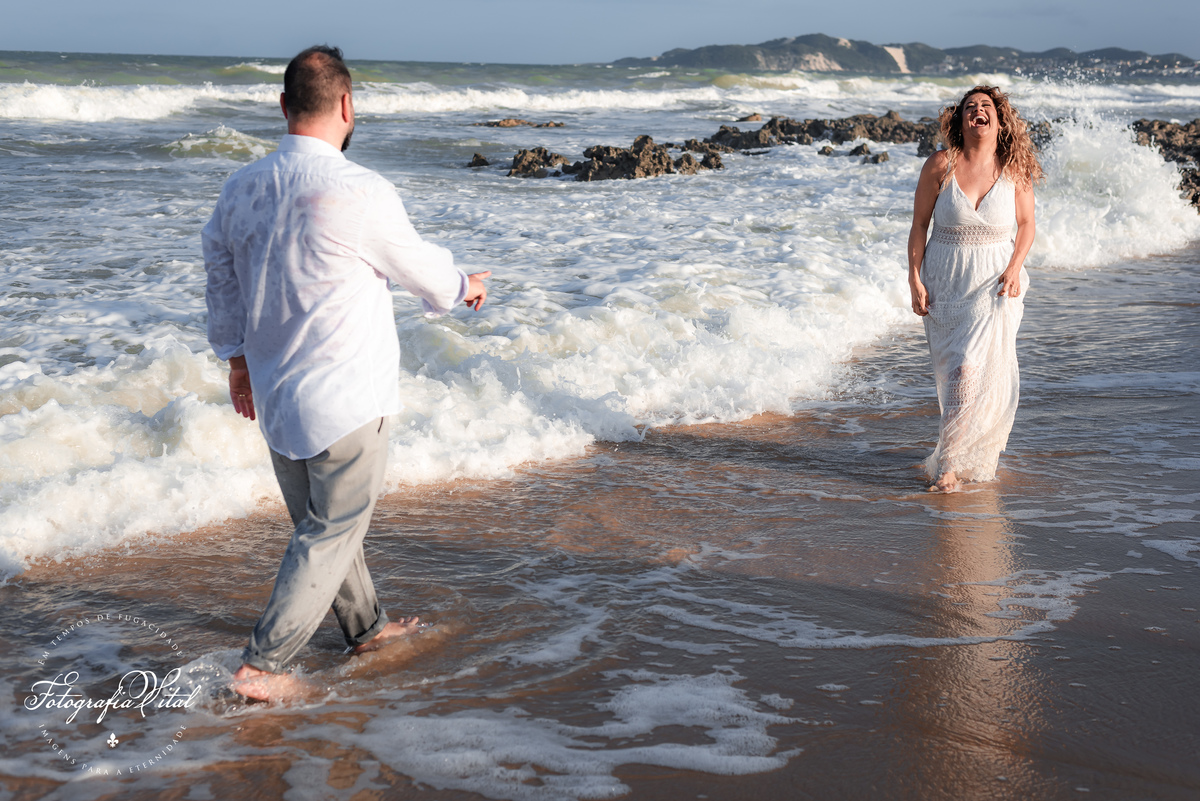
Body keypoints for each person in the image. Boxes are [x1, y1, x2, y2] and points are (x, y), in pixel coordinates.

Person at [202, 45, 490, 700]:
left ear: (282, 107)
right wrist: (464, 284)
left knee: (326, 527)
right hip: (349, 401)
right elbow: (422, 272)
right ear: (348, 106)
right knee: (331, 532)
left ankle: (367, 629)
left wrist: (237, 362)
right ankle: (261, 666)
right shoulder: (359, 191)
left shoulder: (239, 190)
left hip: (277, 397)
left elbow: (220, 281)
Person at [906, 85, 1043, 492]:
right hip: (945, 281)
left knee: (970, 368)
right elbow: (918, 226)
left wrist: (1016, 267)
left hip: (995, 283)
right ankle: (957, 452)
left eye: (986, 106)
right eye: (970, 107)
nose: (978, 111)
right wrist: (913, 277)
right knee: (955, 376)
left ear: (999, 120)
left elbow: (1027, 224)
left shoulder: (1014, 169)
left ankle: (948, 465)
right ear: (960, 120)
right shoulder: (940, 165)